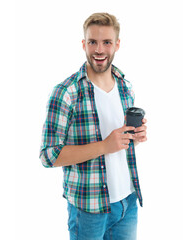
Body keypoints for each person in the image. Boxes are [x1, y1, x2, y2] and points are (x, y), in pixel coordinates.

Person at [40, 12, 147, 240]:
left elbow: (121, 146)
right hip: (88, 209)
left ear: (117, 45)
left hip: (127, 203)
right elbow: (48, 156)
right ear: (83, 44)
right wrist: (104, 146)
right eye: (93, 42)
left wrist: (134, 139)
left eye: (106, 42)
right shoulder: (66, 92)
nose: (99, 50)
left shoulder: (125, 87)